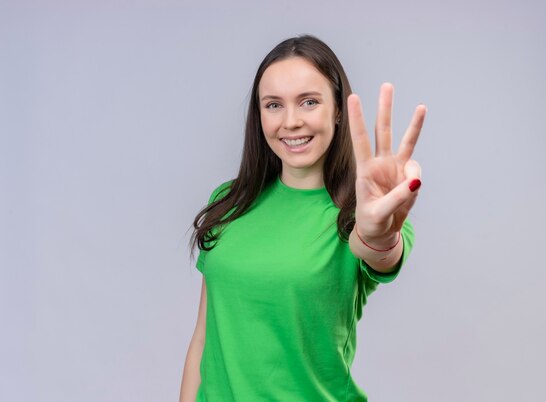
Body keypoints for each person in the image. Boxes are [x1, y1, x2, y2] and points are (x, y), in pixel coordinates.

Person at [179, 34, 426, 402]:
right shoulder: (229, 202)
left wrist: (378, 234)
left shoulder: (358, 217)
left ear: (338, 109)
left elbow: (379, 249)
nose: (291, 121)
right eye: (274, 105)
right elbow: (203, 336)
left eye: (309, 102)